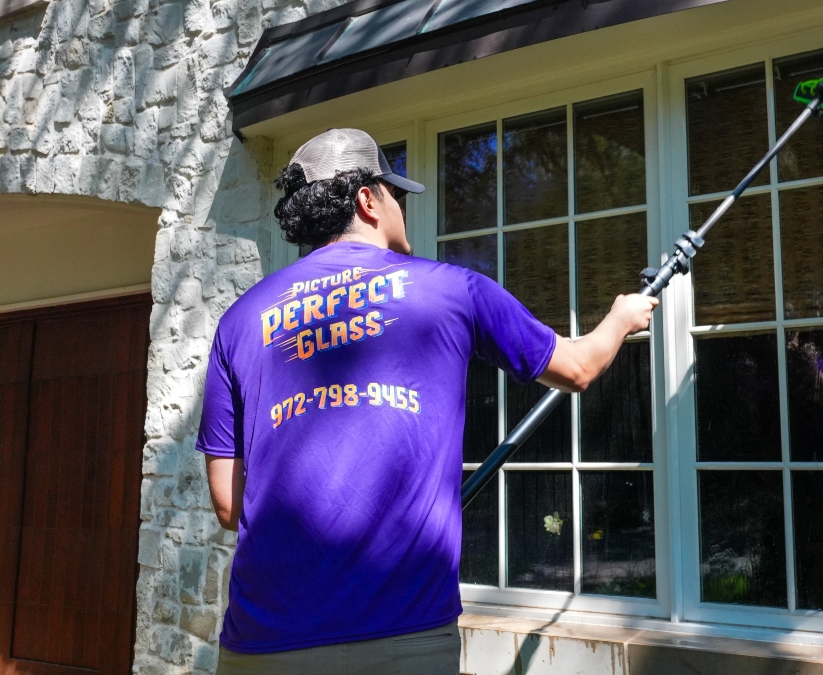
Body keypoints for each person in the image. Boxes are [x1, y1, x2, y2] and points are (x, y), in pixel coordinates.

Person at [196, 128, 657, 674]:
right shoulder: (453, 289)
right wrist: (621, 318)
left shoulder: (238, 322)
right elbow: (577, 369)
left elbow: (228, 505)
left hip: (261, 644)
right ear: (367, 200)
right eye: (396, 194)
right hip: (402, 637)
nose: (402, 208)